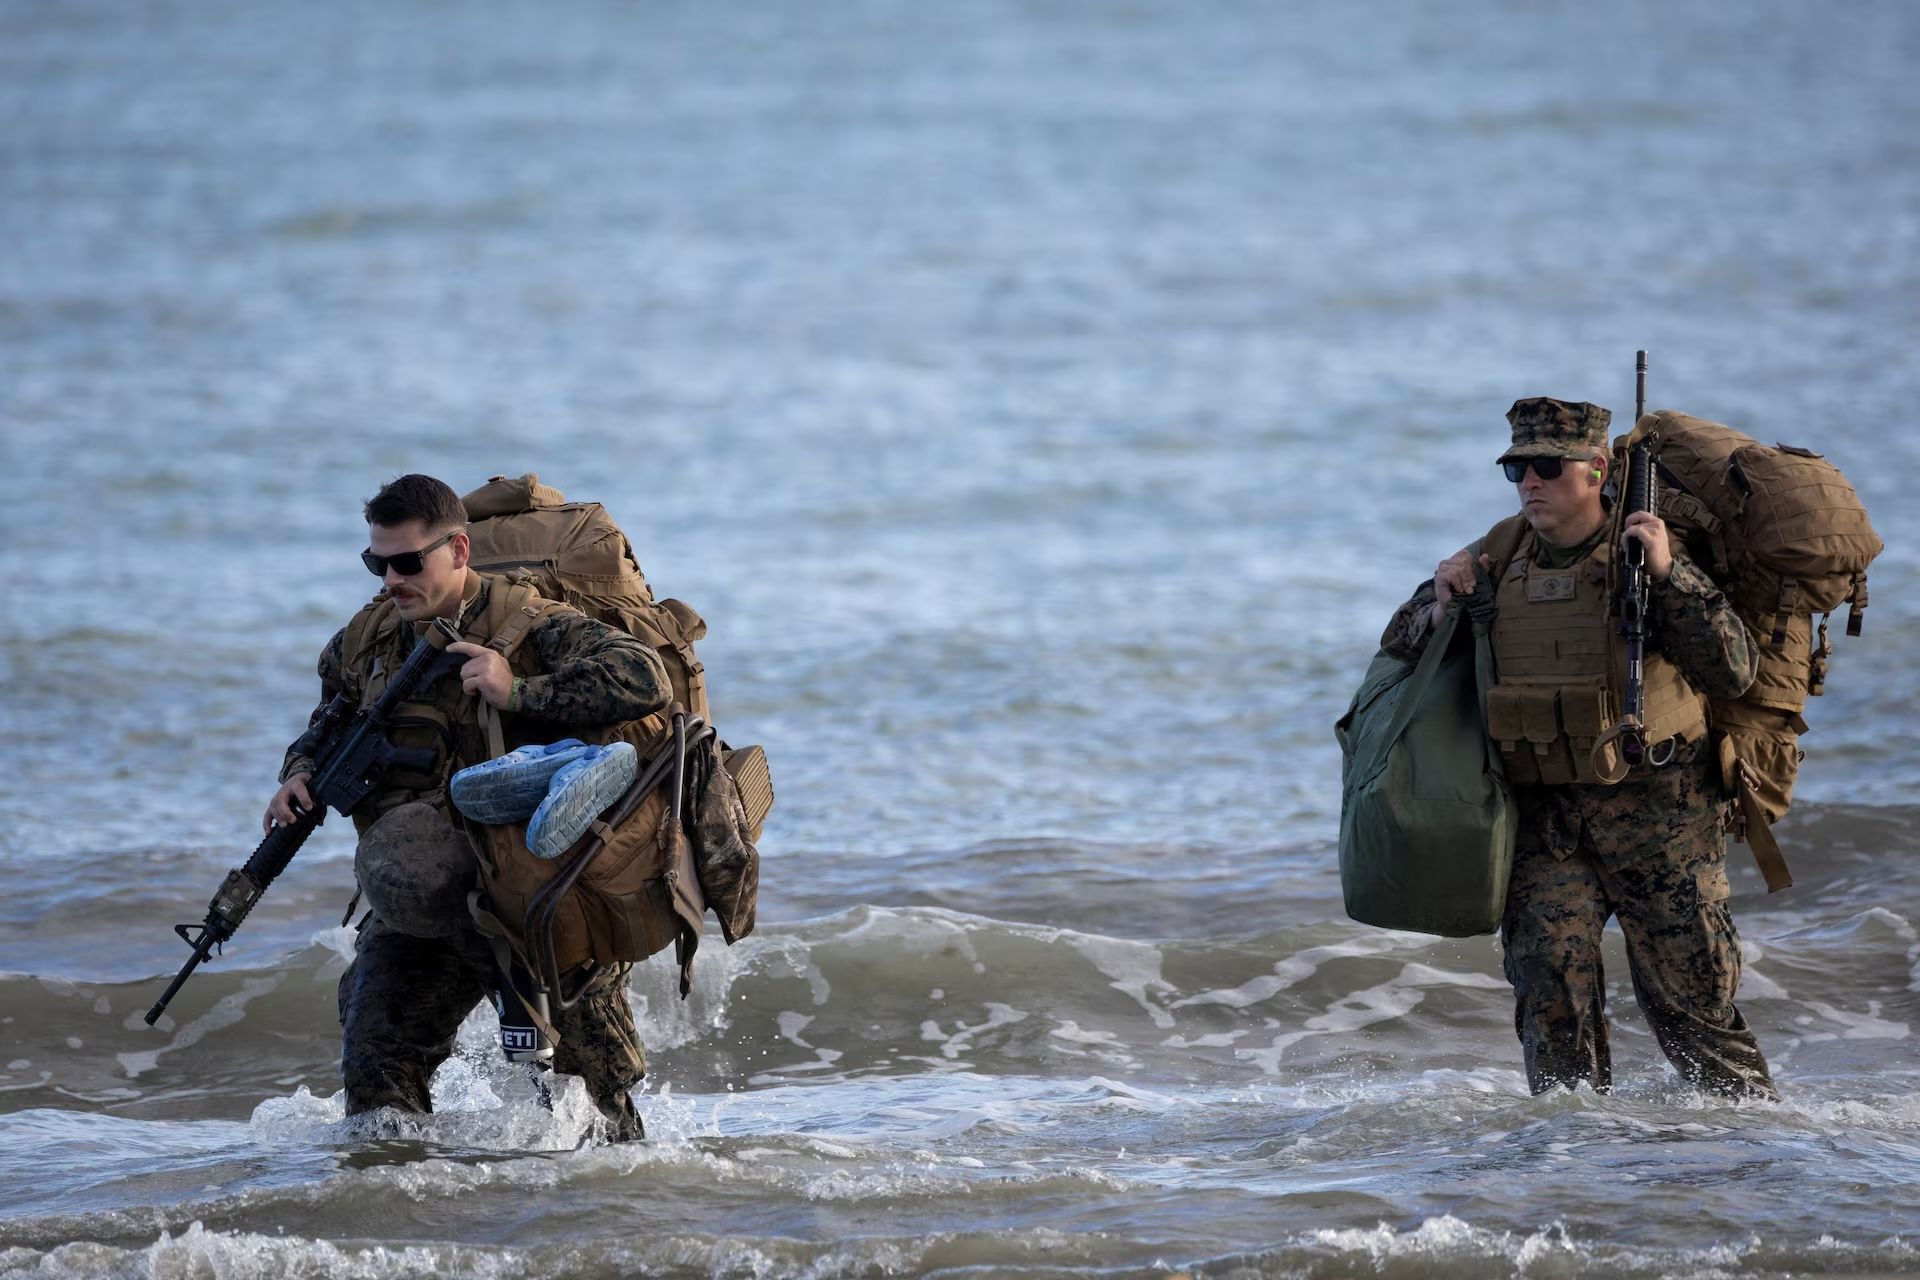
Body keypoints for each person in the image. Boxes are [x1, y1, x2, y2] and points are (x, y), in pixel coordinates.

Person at [1379, 397, 1778, 1100]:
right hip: (1546, 819)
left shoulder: (1644, 554)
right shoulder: (1495, 556)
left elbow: (1734, 668)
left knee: (1691, 1006)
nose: (1529, 482)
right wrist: (1438, 605)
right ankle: (1574, 1161)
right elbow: (1400, 647)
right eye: (1516, 469)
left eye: (1546, 467)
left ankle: (1754, 1150)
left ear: (1596, 471)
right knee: (1550, 997)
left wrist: (1667, 575)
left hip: (1661, 813)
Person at [265, 474, 672, 1139]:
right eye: (377, 562)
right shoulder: (366, 641)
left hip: (533, 892)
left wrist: (521, 694)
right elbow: (327, 720)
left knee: (597, 1100)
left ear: (457, 550)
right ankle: (411, 1218)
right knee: (377, 1071)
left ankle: (617, 1220)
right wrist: (299, 772)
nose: (391, 578)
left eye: (407, 562)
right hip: (426, 897)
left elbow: (642, 677)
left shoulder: (529, 623)